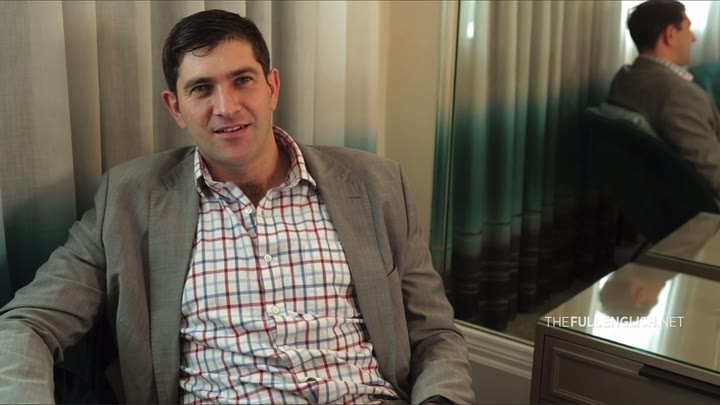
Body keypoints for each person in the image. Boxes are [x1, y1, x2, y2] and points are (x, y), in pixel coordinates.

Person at [0, 9, 473, 404]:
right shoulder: (127, 201)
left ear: (272, 87)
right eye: (201, 89)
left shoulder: (376, 185)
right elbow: (25, 325)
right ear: (175, 107)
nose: (226, 107)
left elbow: (435, 334)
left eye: (242, 80)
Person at [607, 0, 720, 195]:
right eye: (688, 28)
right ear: (670, 34)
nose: (693, 38)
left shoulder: (625, 77)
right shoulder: (680, 96)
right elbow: (713, 171)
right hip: (693, 200)